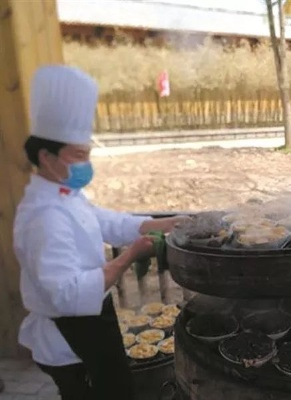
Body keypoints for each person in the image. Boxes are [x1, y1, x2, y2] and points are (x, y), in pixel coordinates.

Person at [13, 65, 189, 400]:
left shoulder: (65, 194)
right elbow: (67, 294)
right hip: (70, 339)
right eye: (79, 156)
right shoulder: (43, 217)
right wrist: (129, 257)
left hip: (91, 321)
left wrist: (162, 224)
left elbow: (104, 221)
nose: (87, 164)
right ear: (47, 157)